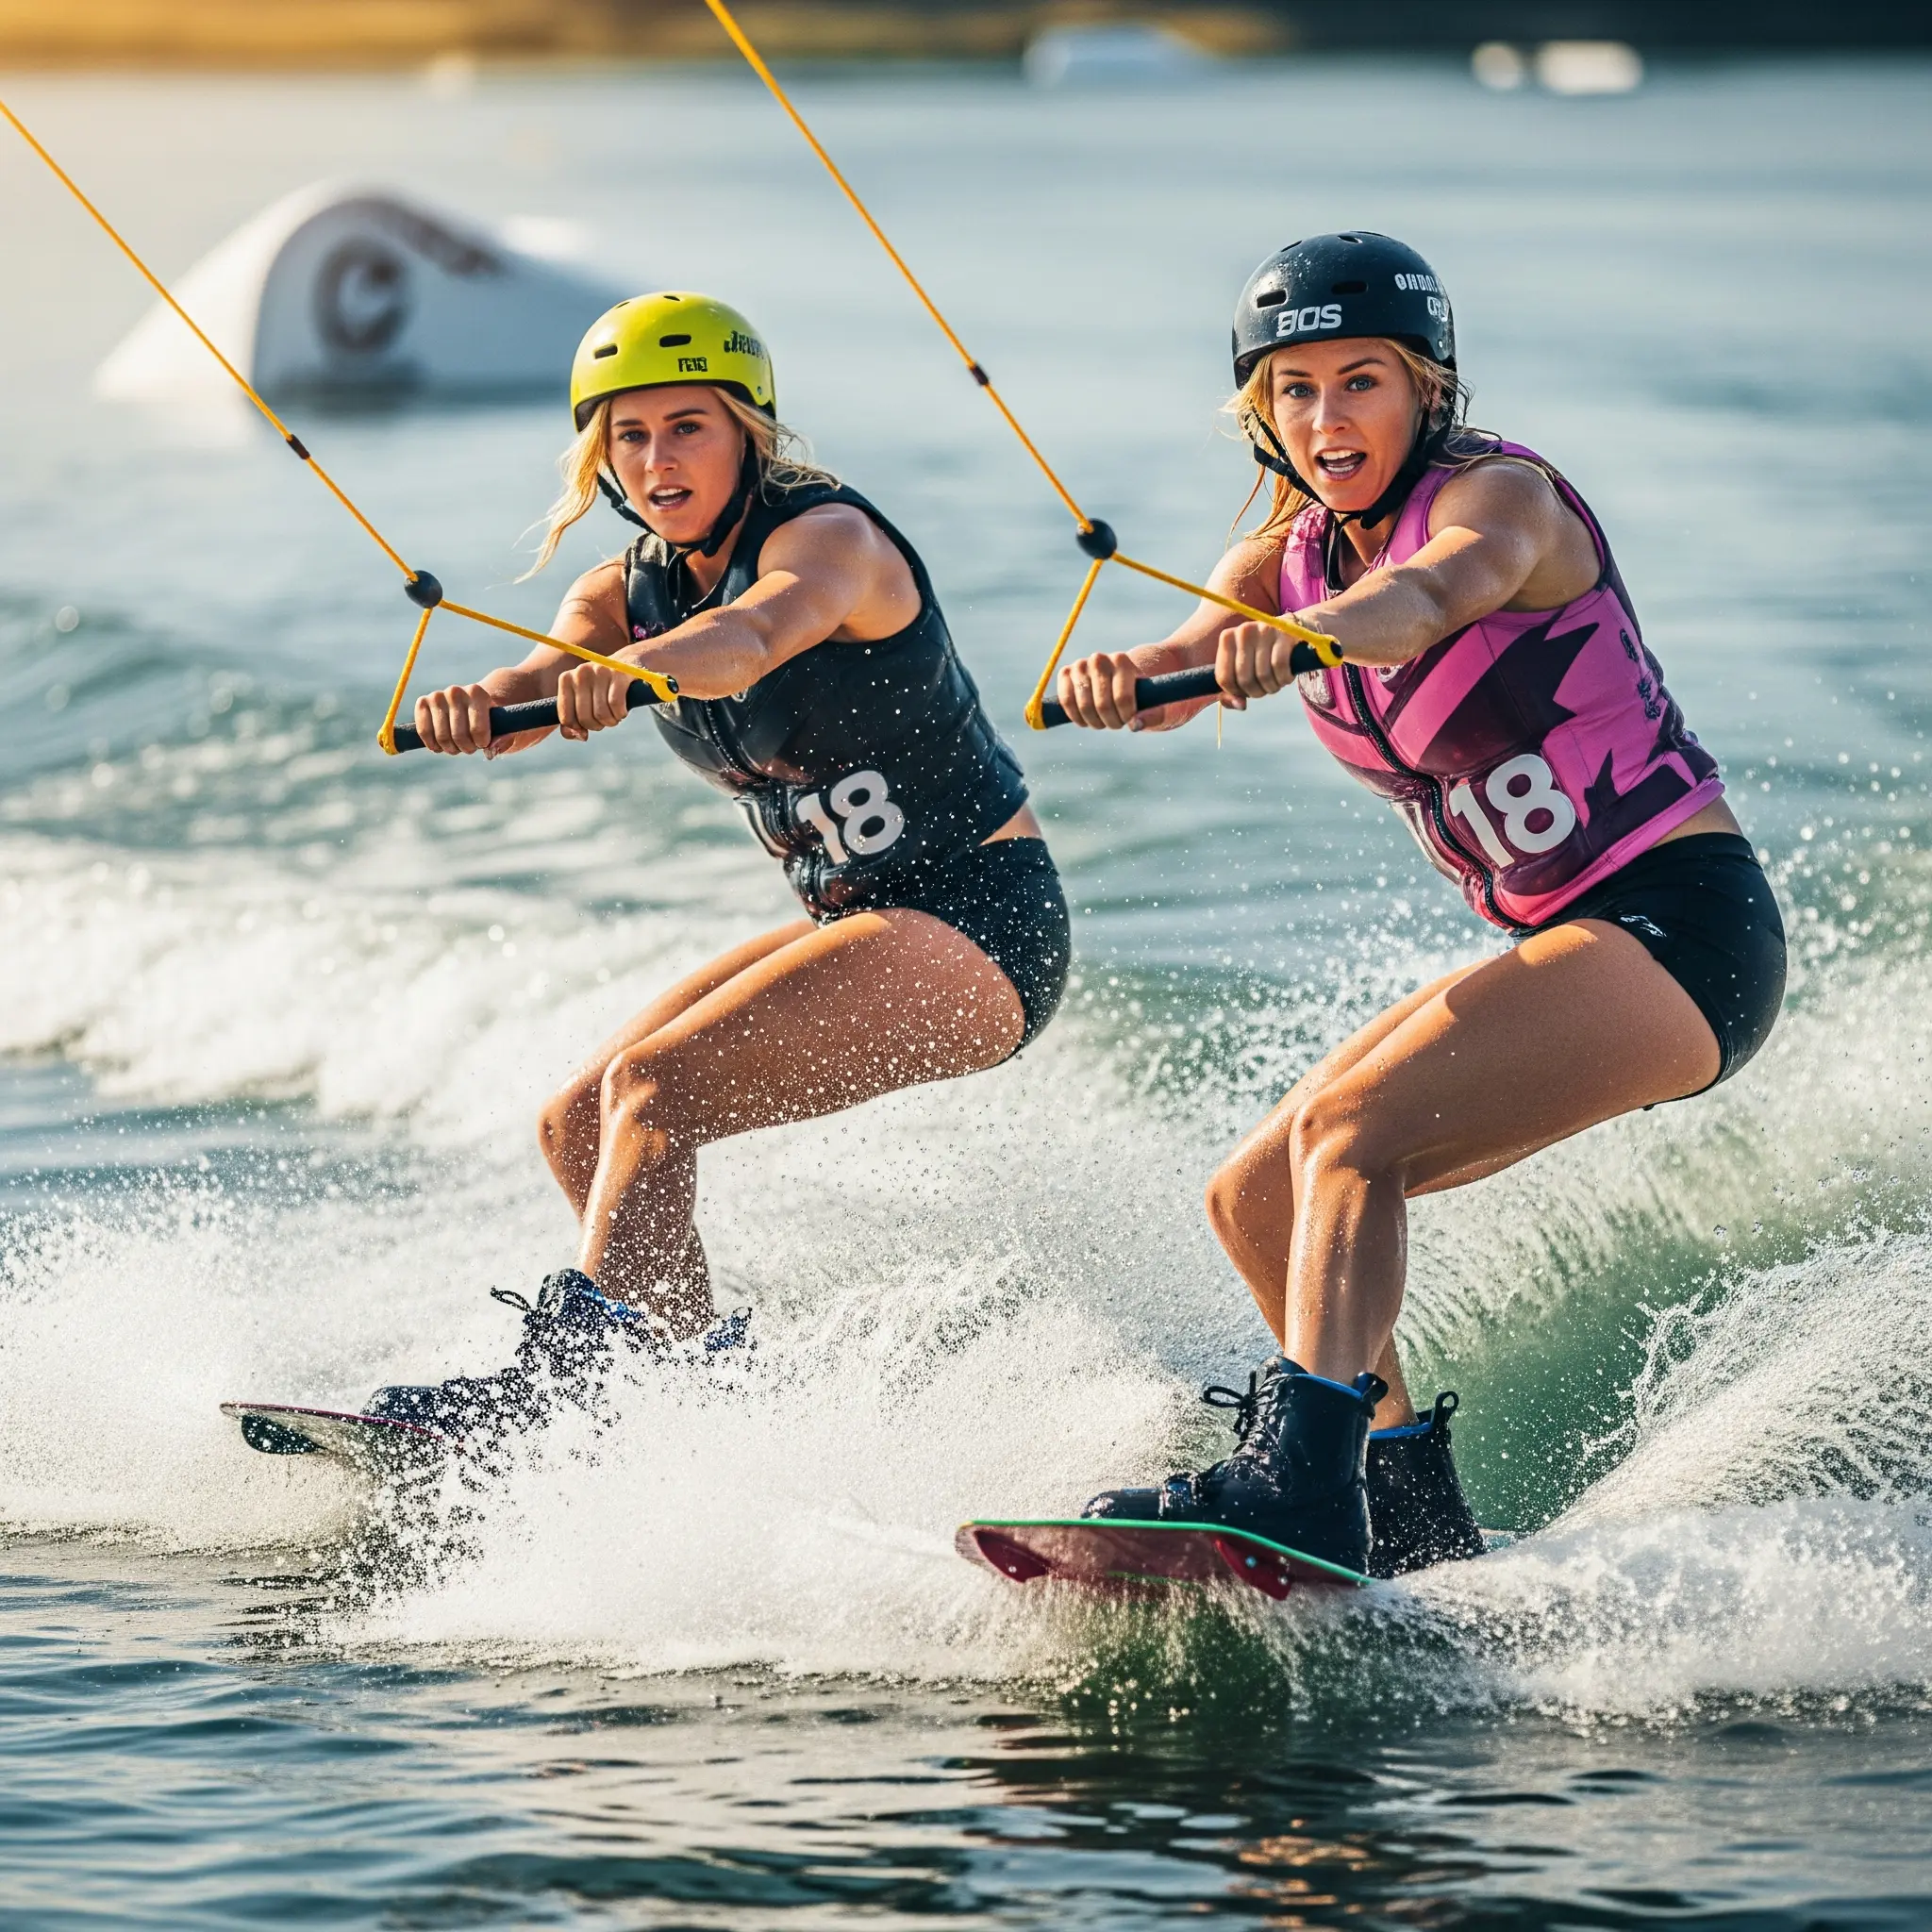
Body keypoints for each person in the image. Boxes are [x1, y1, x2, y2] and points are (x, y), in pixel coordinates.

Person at [1052, 234, 1785, 1578]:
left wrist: (1318, 634)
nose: (1328, 419)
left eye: (1361, 382)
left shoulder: (1500, 501)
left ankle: (1301, 1483)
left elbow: (1431, 597)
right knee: (1255, 1198)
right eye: (1296, 391)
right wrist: (1126, 681)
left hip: (1682, 923)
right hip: (1578, 940)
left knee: (1350, 1136)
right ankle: (1406, 1512)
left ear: (1426, 388)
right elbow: (1184, 661)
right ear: (1261, 414)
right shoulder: (1284, 558)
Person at [373, 291, 1070, 1439]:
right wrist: (476, 707)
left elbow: (749, 635)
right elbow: (524, 691)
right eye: (628, 434)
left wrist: (642, 667)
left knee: (656, 1085)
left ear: (749, 426)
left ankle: (570, 1386)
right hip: (858, 921)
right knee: (581, 1120)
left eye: (686, 426)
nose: (655, 459)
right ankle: (702, 1407)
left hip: (984, 920)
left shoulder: (827, 540)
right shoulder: (618, 590)